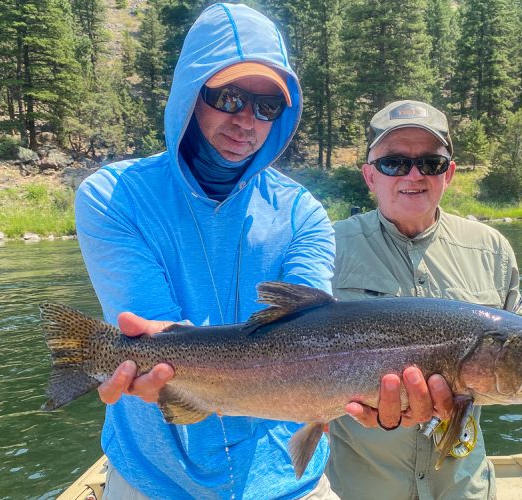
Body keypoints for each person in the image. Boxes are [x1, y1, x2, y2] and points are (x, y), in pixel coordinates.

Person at [75, 3, 340, 498]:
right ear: (191, 95)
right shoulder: (114, 196)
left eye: (268, 106)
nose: (248, 121)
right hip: (156, 480)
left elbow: (311, 332)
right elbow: (150, 326)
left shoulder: (304, 213)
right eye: (230, 96)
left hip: (288, 477)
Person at [325, 100, 522, 499]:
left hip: (463, 487)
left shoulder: (493, 250)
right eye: (394, 163)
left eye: (430, 163)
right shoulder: (326, 248)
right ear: (369, 176)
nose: (413, 175)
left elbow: (513, 364)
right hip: (360, 488)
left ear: (448, 173)